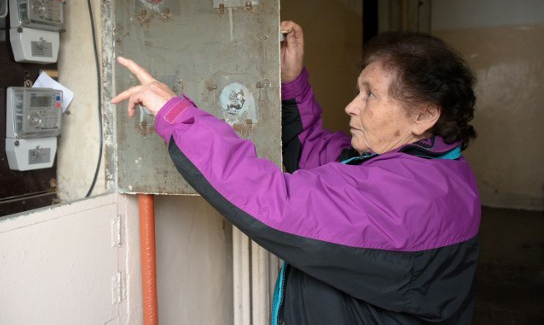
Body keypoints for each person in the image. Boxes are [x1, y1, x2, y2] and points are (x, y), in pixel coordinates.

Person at [111, 21, 481, 324]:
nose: (351, 106)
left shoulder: (411, 198)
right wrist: (293, 82)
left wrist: (176, 114)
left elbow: (275, 201)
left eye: (370, 95)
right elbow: (317, 152)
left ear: (424, 115)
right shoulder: (432, 170)